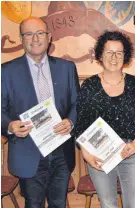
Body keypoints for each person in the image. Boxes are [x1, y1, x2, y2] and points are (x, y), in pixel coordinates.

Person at [1, 17, 79, 207]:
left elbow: (78, 104)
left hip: (61, 151)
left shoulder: (67, 68)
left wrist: (71, 121)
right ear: (21, 39)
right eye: (28, 34)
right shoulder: (6, 71)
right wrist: (9, 126)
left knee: (59, 203)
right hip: (28, 152)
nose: (35, 39)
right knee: (33, 204)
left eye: (40, 33)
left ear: (49, 37)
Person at [75, 31, 135, 208]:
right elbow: (80, 126)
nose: (114, 57)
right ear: (100, 55)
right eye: (109, 52)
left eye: (119, 52)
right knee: (108, 204)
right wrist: (87, 155)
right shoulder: (89, 86)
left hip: (130, 153)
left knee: (134, 205)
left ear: (126, 56)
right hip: (99, 155)